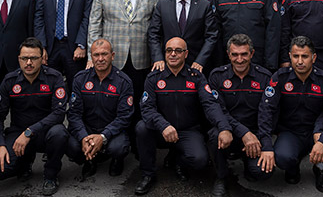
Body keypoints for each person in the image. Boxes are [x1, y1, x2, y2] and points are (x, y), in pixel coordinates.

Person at [134, 37, 231, 195]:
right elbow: (147, 108)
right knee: (142, 128)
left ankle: (178, 160)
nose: (173, 54)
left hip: (188, 130)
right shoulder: (154, 77)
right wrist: (163, 125)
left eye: (178, 51)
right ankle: (148, 174)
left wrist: (224, 127)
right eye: (169, 50)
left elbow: (210, 104)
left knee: (199, 160)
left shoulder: (196, 77)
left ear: (186, 54)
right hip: (162, 130)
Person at [257, 36, 323, 193]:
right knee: (283, 157)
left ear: (313, 57)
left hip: (316, 132)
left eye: (304, 56)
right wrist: (266, 145)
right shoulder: (279, 78)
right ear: (290, 56)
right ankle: (293, 166)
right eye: (296, 56)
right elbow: (266, 111)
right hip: (291, 132)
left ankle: (322, 169)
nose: (300, 61)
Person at [87, 0, 159, 124]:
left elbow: (157, 26)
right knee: (112, 102)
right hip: (113, 57)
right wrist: (91, 55)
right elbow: (94, 26)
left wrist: (157, 56)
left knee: (139, 102)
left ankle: (137, 143)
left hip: (142, 58)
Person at [0, 38, 69, 196]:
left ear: (42, 58)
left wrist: (30, 131)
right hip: (18, 133)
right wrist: (0, 145)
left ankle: (50, 175)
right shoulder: (9, 81)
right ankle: (25, 162)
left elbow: (59, 113)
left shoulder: (55, 78)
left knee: (59, 133)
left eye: (33, 58)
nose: (28, 63)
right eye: (24, 58)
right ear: (18, 59)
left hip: (45, 132)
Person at [207, 34, 271, 197]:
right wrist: (243, 132)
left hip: (254, 134)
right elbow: (218, 110)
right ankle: (221, 177)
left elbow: (267, 114)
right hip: (229, 130)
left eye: (244, 54)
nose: (239, 59)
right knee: (216, 134)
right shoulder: (217, 76)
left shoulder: (264, 77)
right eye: (235, 54)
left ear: (252, 53)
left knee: (262, 172)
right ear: (228, 54)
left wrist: (264, 142)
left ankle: (248, 160)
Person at [67, 38, 135, 180]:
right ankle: (90, 160)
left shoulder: (123, 82)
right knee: (70, 145)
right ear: (91, 57)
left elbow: (124, 117)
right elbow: (74, 114)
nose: (100, 59)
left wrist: (103, 136)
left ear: (113, 56)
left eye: (104, 54)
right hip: (87, 130)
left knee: (119, 148)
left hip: (112, 133)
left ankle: (116, 160)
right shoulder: (80, 79)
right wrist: (84, 137)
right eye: (96, 55)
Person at [34, 0, 95, 88]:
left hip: (74, 47)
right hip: (50, 47)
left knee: (76, 87)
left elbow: (88, 16)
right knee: (48, 87)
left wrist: (81, 44)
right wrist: (41, 47)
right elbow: (39, 17)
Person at [214, 0, 280, 71]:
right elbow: (216, 32)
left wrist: (271, 63)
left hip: (258, 59)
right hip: (229, 59)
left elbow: (273, 30)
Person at [148, 0, 219, 72]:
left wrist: (200, 61)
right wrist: (158, 58)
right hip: (167, 65)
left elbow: (211, 36)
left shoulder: (204, 6)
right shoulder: (162, 5)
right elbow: (153, 34)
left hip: (196, 65)